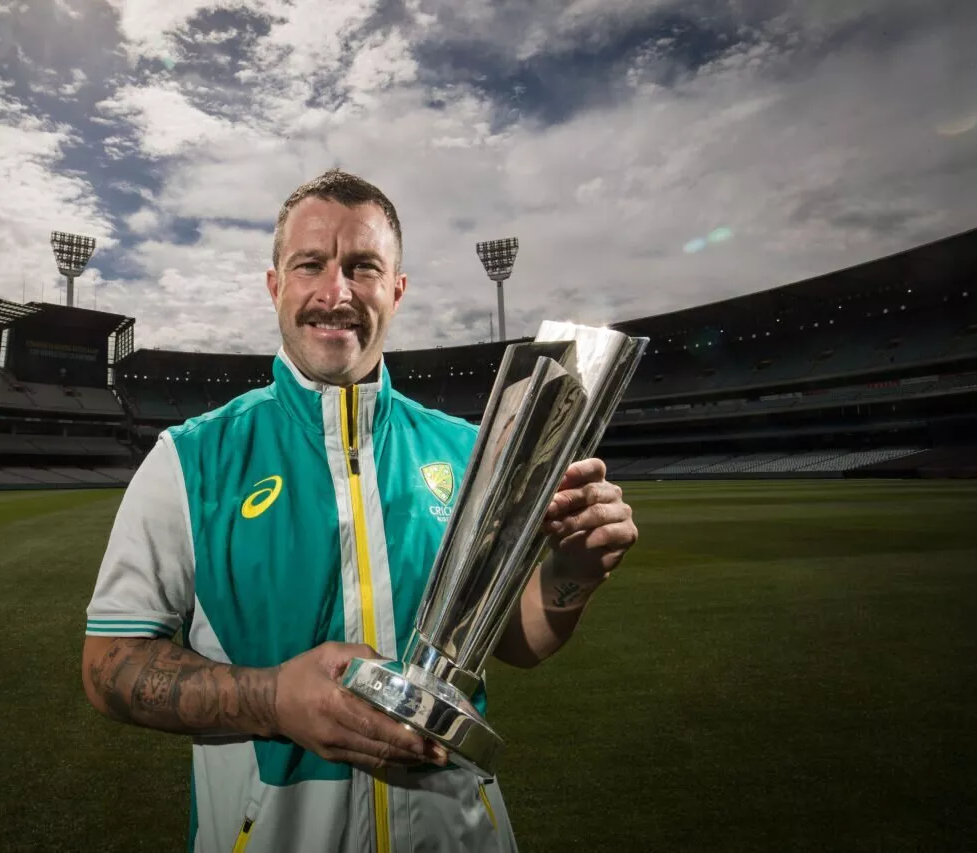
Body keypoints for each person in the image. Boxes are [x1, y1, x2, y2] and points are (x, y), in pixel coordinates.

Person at [81, 169, 638, 853]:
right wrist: (273, 698)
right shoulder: (188, 460)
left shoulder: (471, 452)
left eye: (363, 267)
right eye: (309, 264)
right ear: (274, 285)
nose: (335, 292)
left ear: (396, 291)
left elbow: (517, 641)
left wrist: (568, 572)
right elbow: (109, 662)